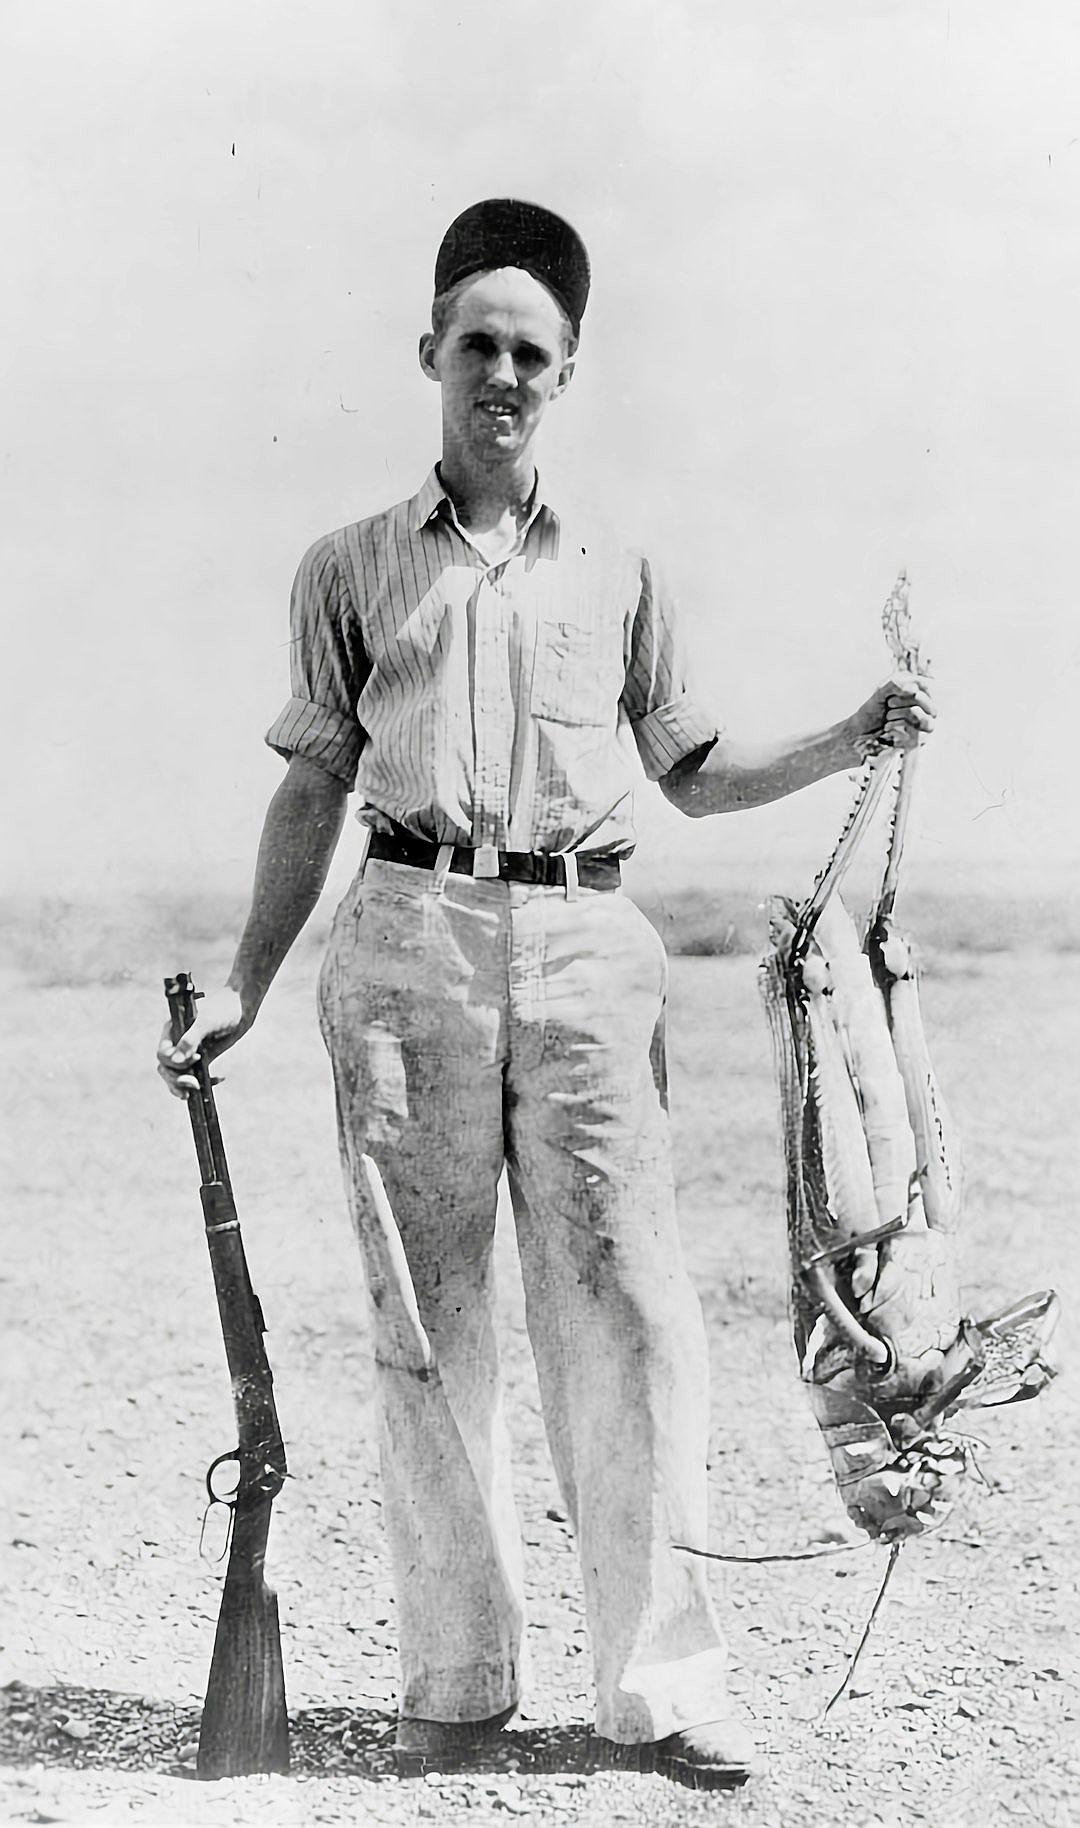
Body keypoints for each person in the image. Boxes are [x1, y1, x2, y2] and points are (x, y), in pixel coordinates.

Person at [158, 198, 935, 1790]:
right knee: (425, 1324)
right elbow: (312, 787)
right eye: (476, 346)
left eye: (531, 351)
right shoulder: (351, 568)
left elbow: (695, 773)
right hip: (404, 939)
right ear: (429, 355)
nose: (500, 374)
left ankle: (661, 1690)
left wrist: (854, 735)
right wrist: (245, 983)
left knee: (632, 1322)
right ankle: (454, 1684)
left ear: (567, 372)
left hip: (590, 951)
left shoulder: (628, 571)